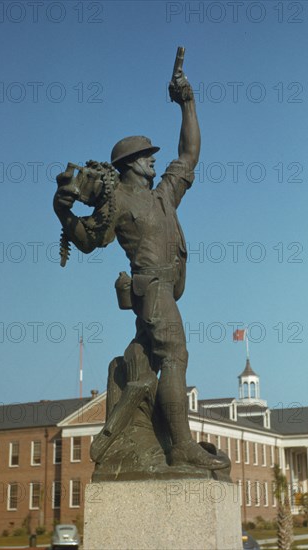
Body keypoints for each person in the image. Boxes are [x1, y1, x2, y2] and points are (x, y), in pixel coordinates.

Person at [54, 70, 227, 470]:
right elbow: (87, 240)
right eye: (147, 155)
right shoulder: (120, 205)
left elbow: (189, 154)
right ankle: (181, 447)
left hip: (167, 287)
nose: (154, 158)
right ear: (131, 165)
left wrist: (187, 102)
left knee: (142, 365)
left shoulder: (162, 194)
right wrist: (62, 212)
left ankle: (142, 436)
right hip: (151, 291)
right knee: (175, 355)